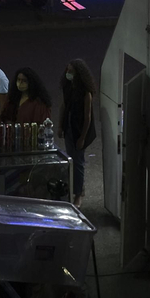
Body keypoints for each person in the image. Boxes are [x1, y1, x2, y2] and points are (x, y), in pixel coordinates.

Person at [58, 59, 97, 205]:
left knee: (78, 161)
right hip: (69, 127)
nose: (68, 74)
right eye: (67, 71)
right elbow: (63, 106)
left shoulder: (86, 93)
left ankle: (78, 194)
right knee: (71, 159)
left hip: (79, 130)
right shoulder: (68, 88)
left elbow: (87, 117)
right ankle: (77, 187)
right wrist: (60, 126)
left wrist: (82, 137)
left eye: (71, 72)